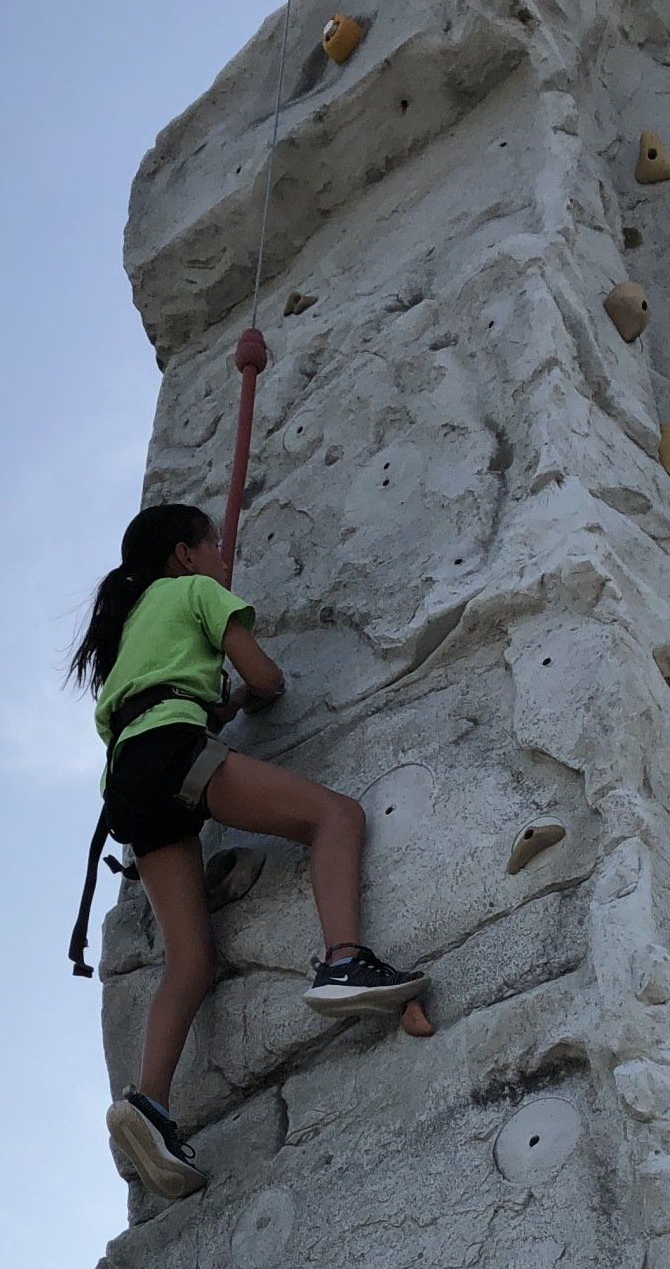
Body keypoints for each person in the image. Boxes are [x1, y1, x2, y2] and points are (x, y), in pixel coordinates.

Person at [67, 502, 422, 1202]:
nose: (224, 559)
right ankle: (345, 962)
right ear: (185, 555)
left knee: (190, 961)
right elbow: (264, 677)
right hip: (176, 751)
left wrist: (214, 708)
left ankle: (148, 1106)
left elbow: (164, 697)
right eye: (217, 546)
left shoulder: (131, 629)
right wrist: (255, 696)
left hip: (128, 788)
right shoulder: (198, 591)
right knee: (335, 817)